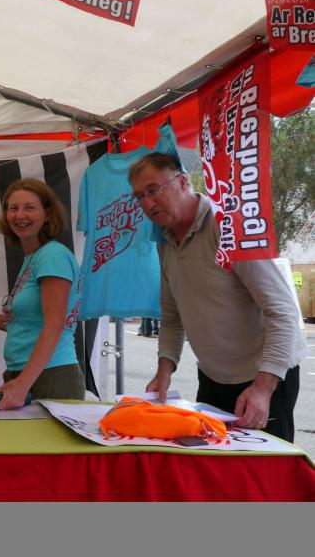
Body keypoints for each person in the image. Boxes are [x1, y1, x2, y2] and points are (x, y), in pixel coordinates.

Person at [129, 153, 306, 441]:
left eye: (153, 190)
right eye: (139, 196)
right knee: (214, 468)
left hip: (264, 376)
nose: (147, 203)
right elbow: (172, 316)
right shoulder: (165, 240)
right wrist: (165, 370)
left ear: (183, 181)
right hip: (212, 377)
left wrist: (263, 387)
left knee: (265, 475)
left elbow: (283, 311)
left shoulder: (228, 225)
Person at [0, 178, 85, 410]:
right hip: (25, 374)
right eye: (13, 208)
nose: (19, 215)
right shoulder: (33, 258)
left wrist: (22, 384)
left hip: (51, 376)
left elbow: (54, 325)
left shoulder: (52, 256)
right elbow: (26, 323)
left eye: (29, 207)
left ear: (47, 214)